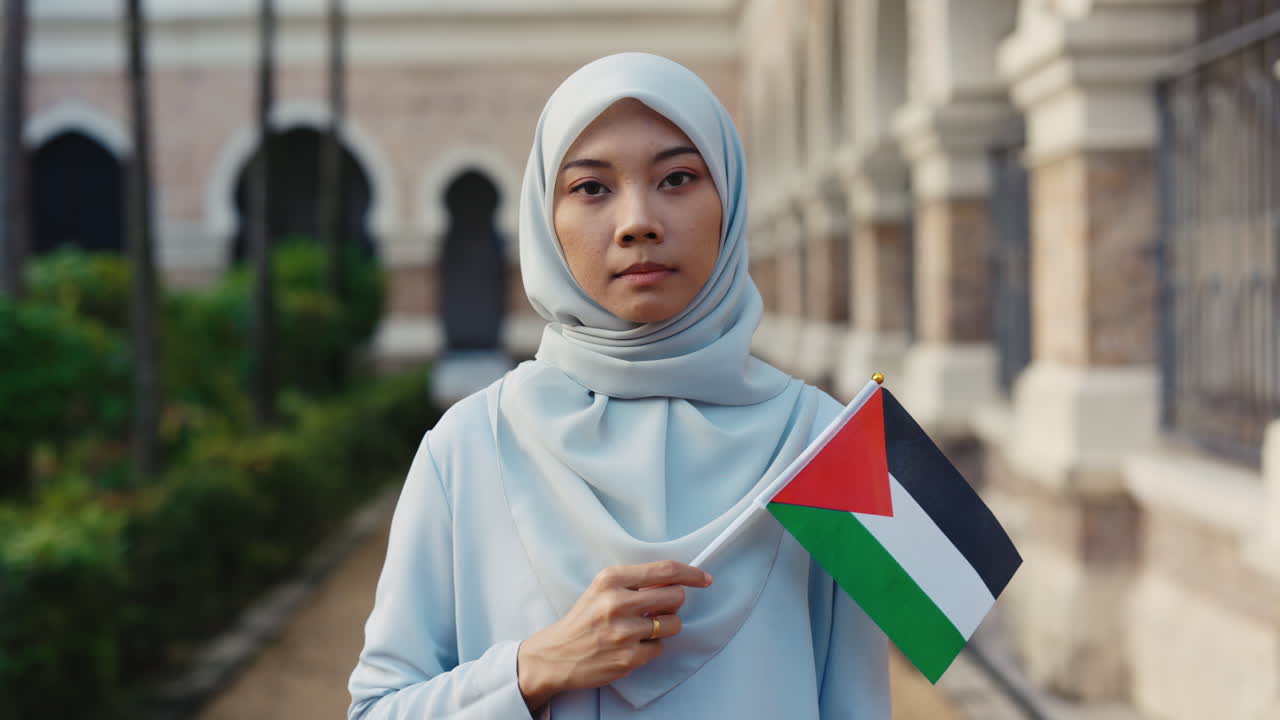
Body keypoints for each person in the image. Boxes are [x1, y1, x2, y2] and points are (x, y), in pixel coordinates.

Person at [347, 52, 890, 719]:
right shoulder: (472, 447)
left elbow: (856, 704)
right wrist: (535, 668)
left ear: (731, 200)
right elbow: (377, 708)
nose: (638, 221)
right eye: (592, 188)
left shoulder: (822, 445)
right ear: (547, 221)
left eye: (679, 177)